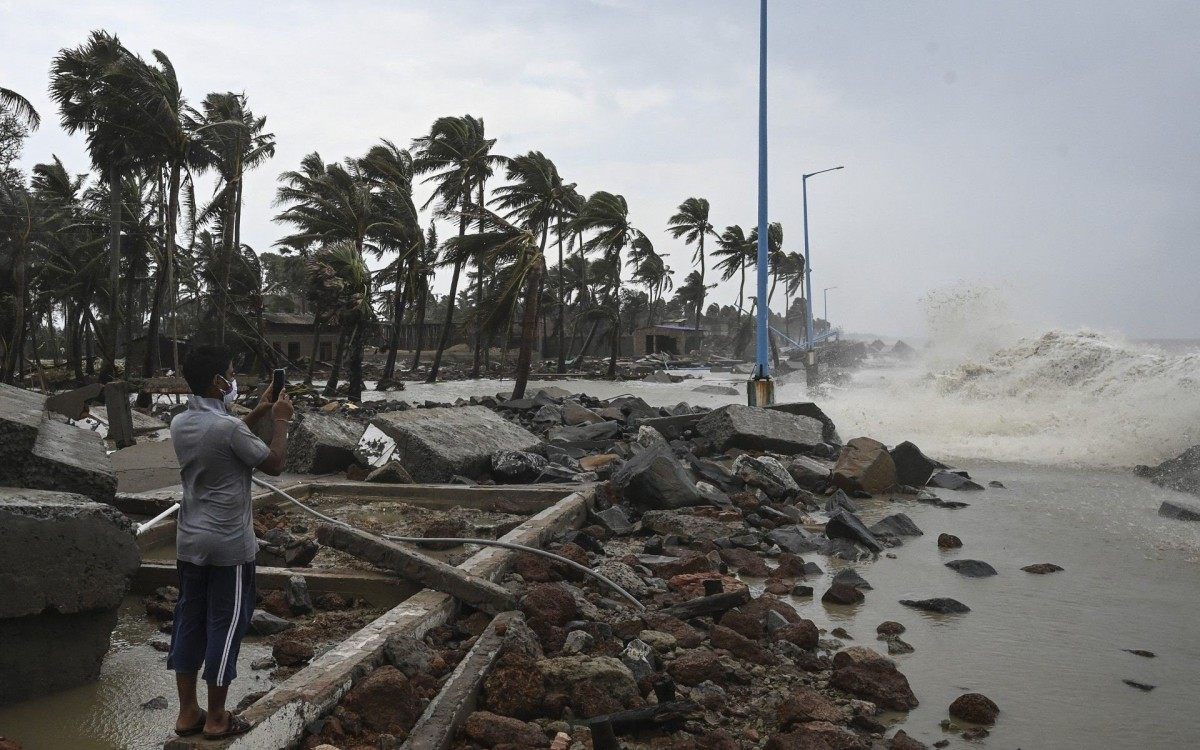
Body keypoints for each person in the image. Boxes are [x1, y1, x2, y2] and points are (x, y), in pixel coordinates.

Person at [166, 345, 292, 739]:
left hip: (190, 542)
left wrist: (257, 411)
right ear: (219, 382)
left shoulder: (180, 422)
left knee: (188, 620)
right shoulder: (229, 429)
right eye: (231, 372)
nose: (234, 379)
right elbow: (273, 463)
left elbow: (225, 433)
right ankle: (218, 717)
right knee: (226, 624)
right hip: (229, 547)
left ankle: (188, 714)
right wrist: (281, 420)